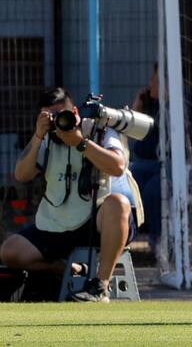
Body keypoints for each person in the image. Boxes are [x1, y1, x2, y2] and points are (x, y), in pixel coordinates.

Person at [0, 88, 142, 302]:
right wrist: (39, 135)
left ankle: (100, 286)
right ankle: (70, 269)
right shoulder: (45, 138)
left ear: (75, 112)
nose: (58, 122)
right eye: (50, 117)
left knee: (118, 204)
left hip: (97, 220)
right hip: (58, 221)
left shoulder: (99, 129)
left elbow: (117, 166)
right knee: (10, 251)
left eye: (62, 115)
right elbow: (22, 174)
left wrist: (80, 143)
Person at [130, 63, 192, 249]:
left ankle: (161, 242)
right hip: (150, 165)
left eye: (154, 80)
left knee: (155, 188)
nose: (150, 84)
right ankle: (125, 238)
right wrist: (137, 108)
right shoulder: (150, 104)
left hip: (186, 169)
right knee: (126, 181)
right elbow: (133, 134)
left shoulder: (189, 102)